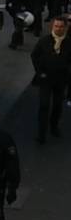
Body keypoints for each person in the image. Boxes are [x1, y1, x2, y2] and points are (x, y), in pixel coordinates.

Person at [31, 14, 71, 144]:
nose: (58, 28)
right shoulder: (44, 41)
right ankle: (41, 133)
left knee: (57, 105)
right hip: (46, 79)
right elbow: (34, 56)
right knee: (44, 105)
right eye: (56, 26)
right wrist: (40, 72)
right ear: (52, 27)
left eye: (61, 26)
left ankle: (54, 127)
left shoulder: (69, 43)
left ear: (65, 28)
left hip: (61, 79)